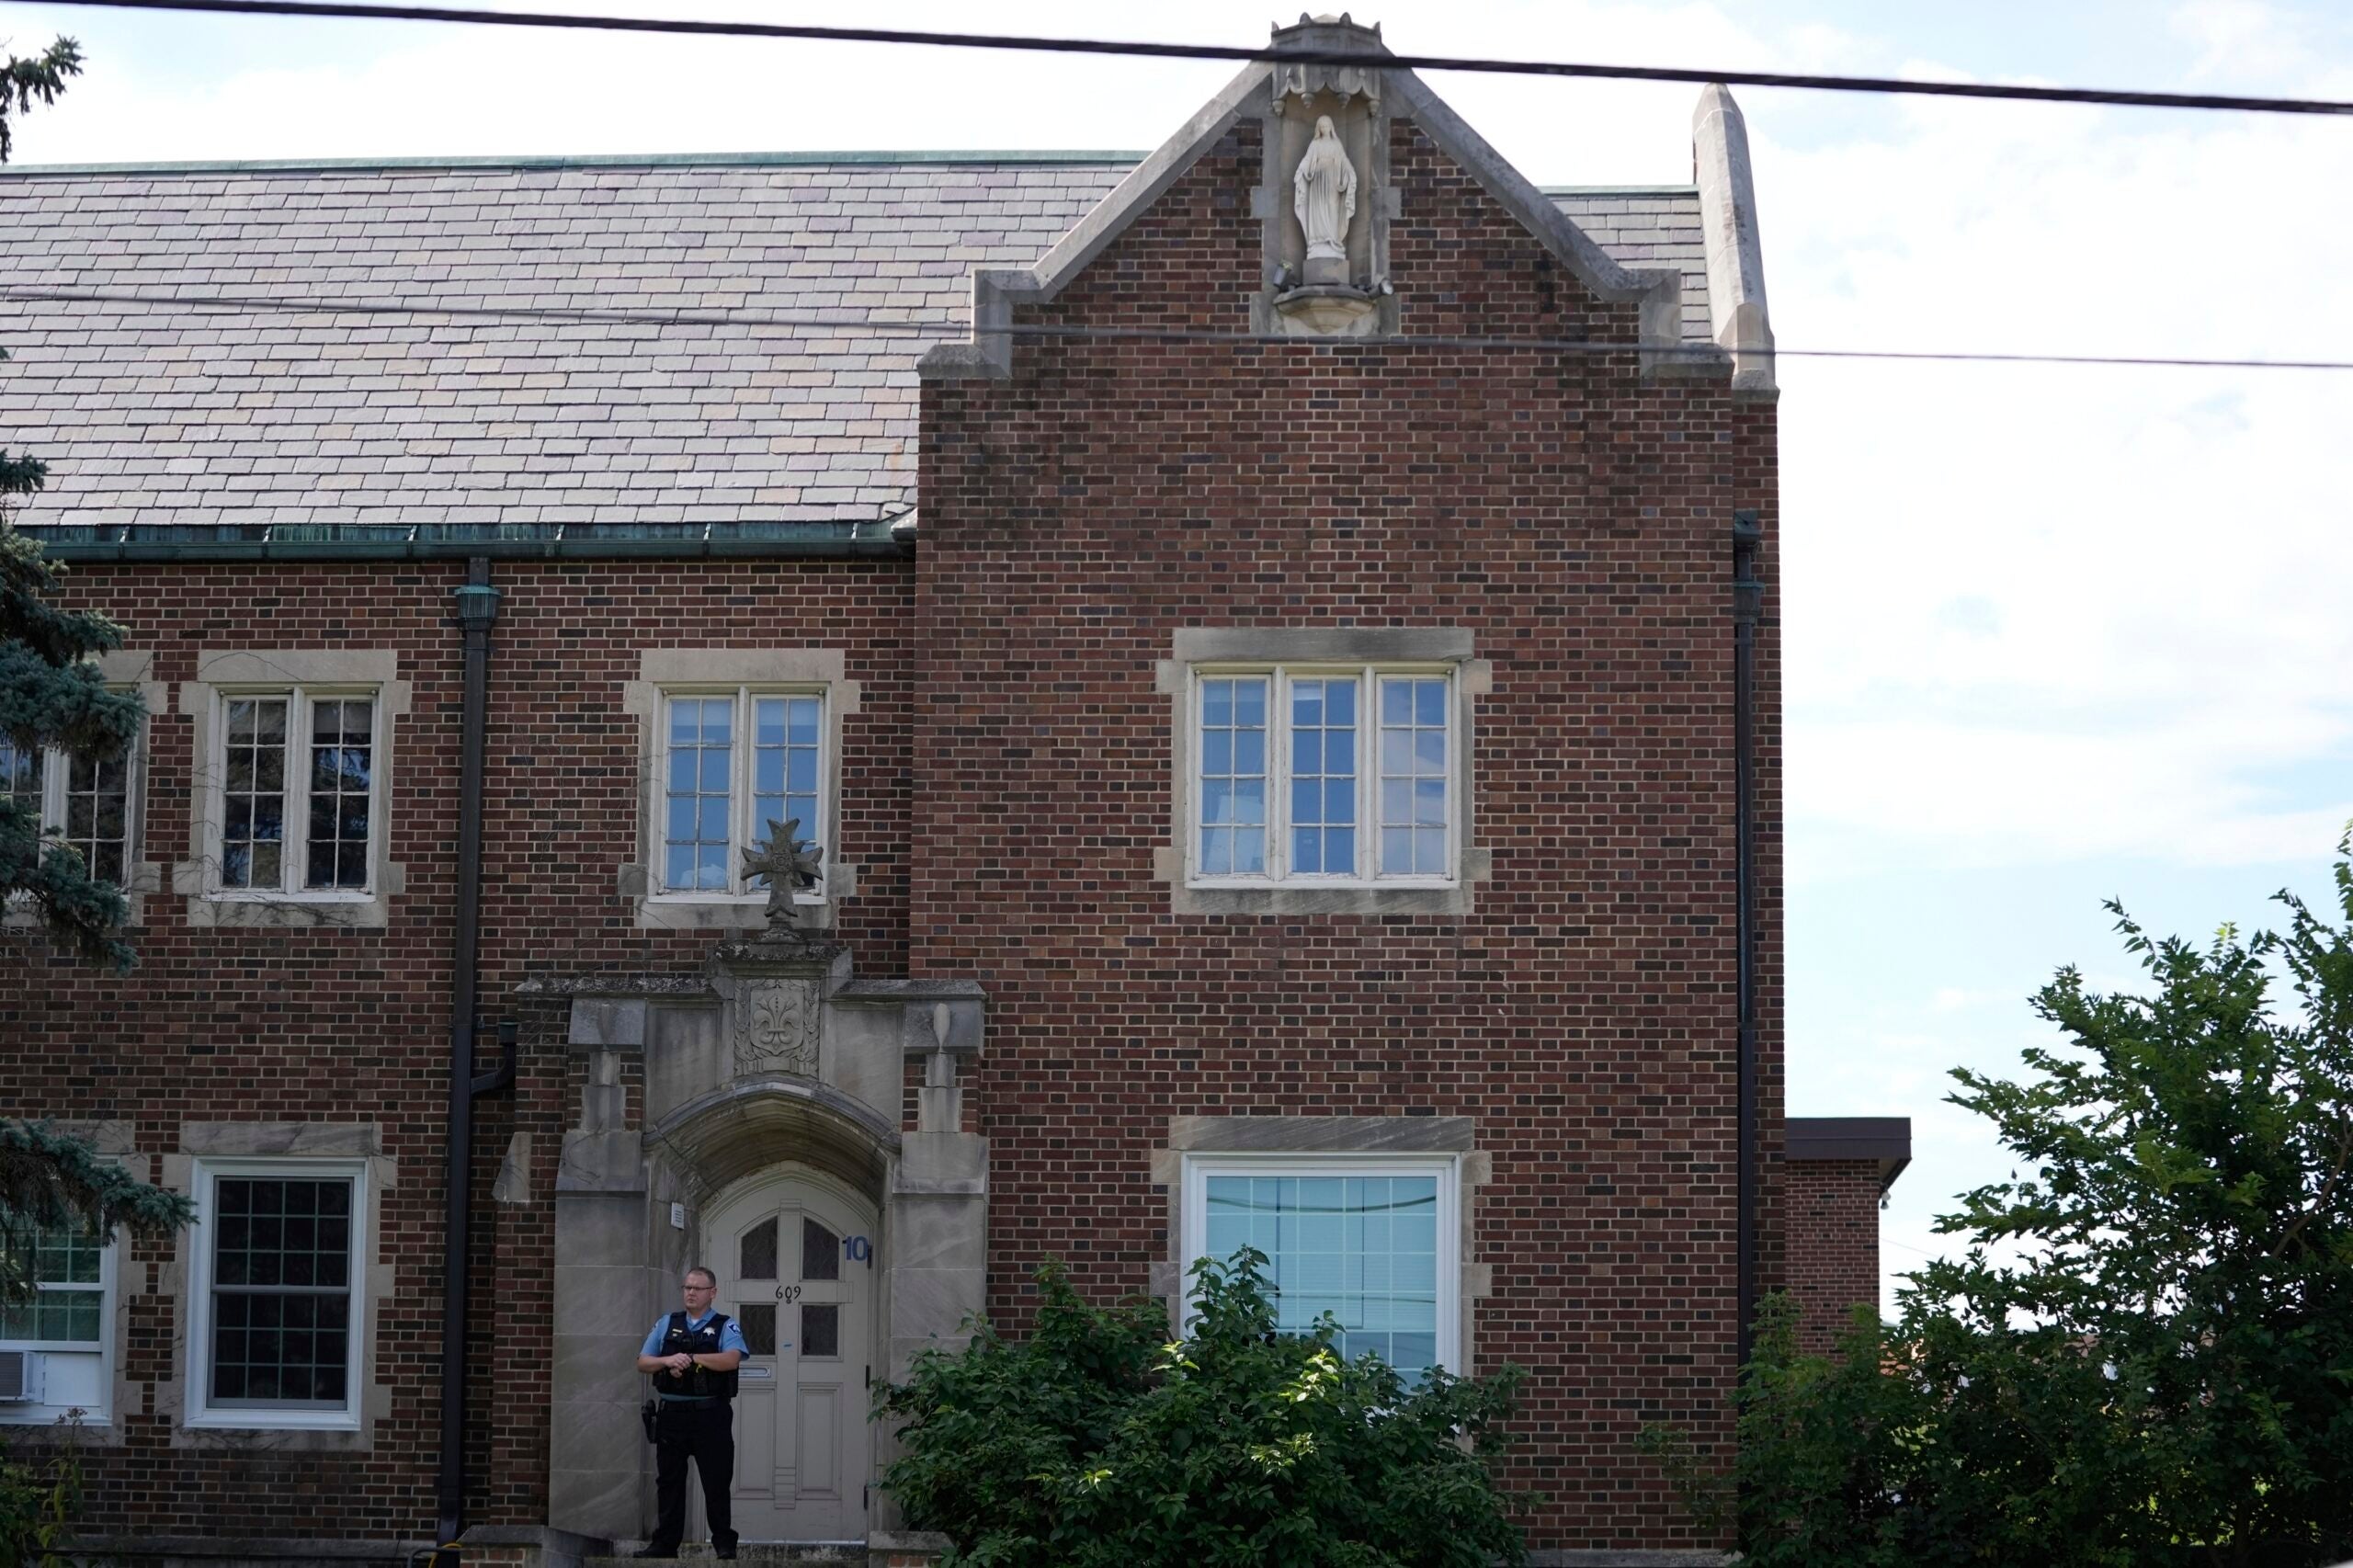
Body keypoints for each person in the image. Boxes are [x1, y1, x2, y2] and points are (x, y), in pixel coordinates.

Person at [633, 1266, 759, 1560]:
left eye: (697, 1288)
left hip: (709, 1415)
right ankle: (665, 1544)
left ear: (712, 1293)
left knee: (716, 1481)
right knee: (669, 1482)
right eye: (686, 1287)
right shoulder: (667, 1323)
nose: (690, 1293)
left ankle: (724, 1544)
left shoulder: (726, 1326)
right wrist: (668, 1361)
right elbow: (643, 1361)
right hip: (671, 1414)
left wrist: (690, 1359)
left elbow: (731, 1359)